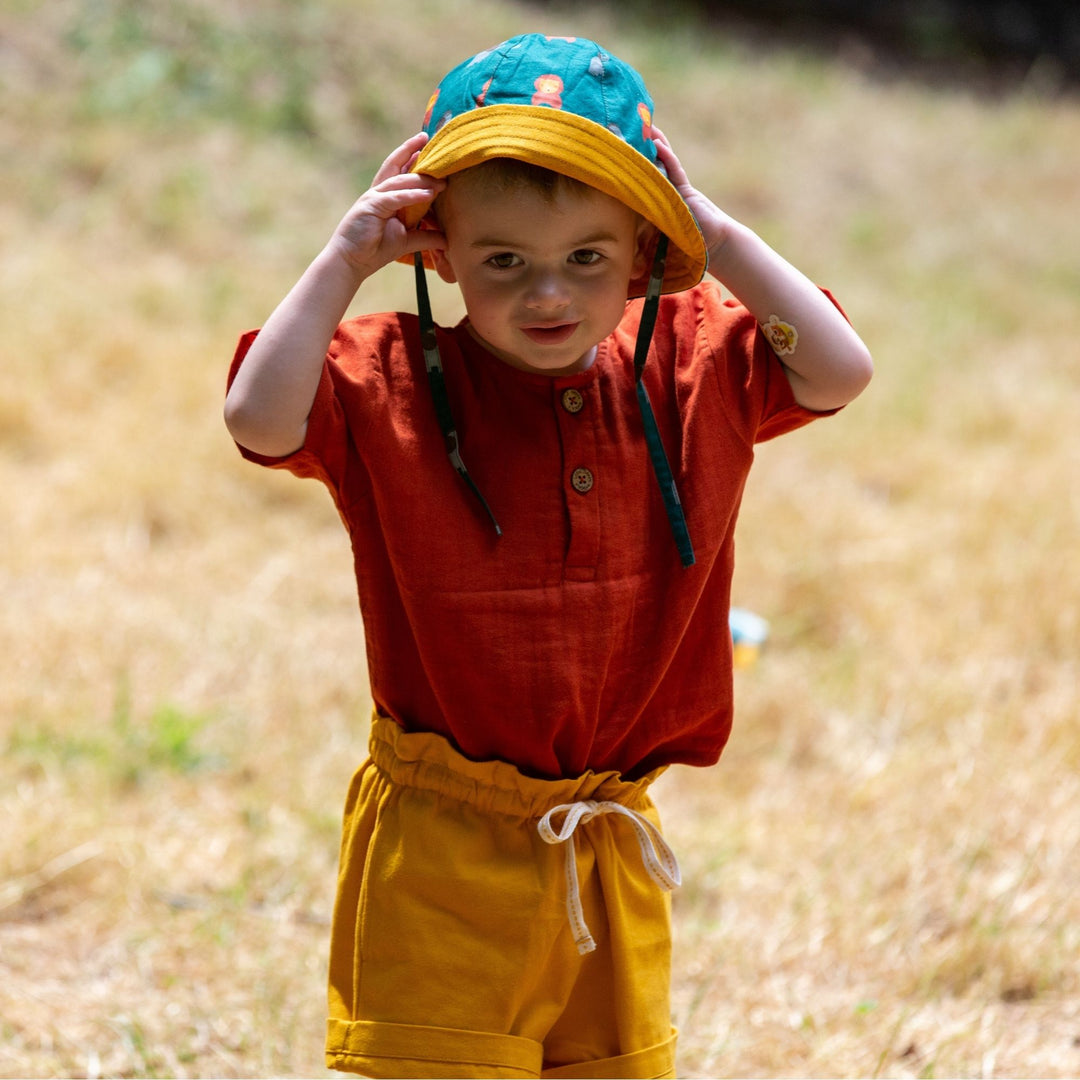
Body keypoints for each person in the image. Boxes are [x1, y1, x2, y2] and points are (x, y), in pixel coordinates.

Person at [224, 33, 872, 1080]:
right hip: (441, 849)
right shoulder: (393, 375)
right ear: (440, 252)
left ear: (643, 256)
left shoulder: (690, 358)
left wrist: (716, 234)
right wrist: (344, 258)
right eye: (504, 261)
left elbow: (841, 371)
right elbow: (256, 420)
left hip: (605, 845)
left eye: (587, 258)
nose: (548, 295)